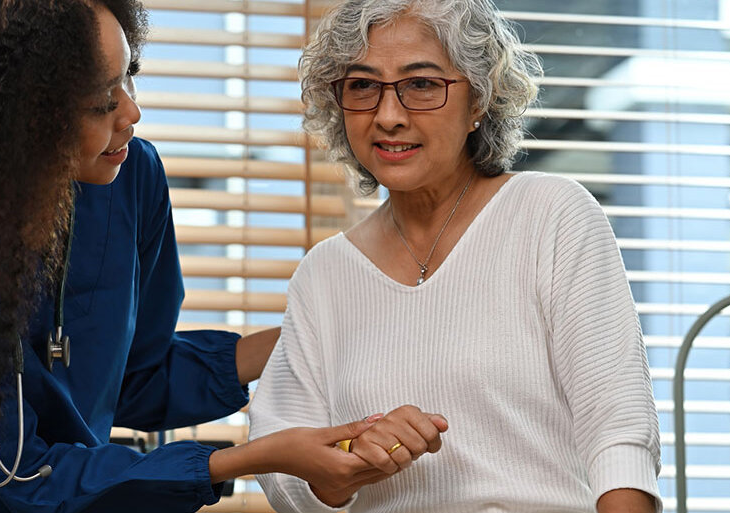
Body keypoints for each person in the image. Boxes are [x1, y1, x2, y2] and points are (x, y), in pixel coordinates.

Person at [0, 1, 446, 512]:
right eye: (100, 102)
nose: (132, 114)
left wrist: (316, 333)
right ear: (16, 121)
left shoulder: (128, 175)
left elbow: (138, 378)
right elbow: (13, 478)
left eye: (128, 78)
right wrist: (257, 456)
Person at [248, 0, 662, 512]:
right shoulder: (324, 273)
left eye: (421, 84)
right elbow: (287, 473)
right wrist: (348, 466)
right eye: (362, 86)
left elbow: (619, 434)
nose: (389, 116)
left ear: (480, 100)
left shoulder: (551, 215)